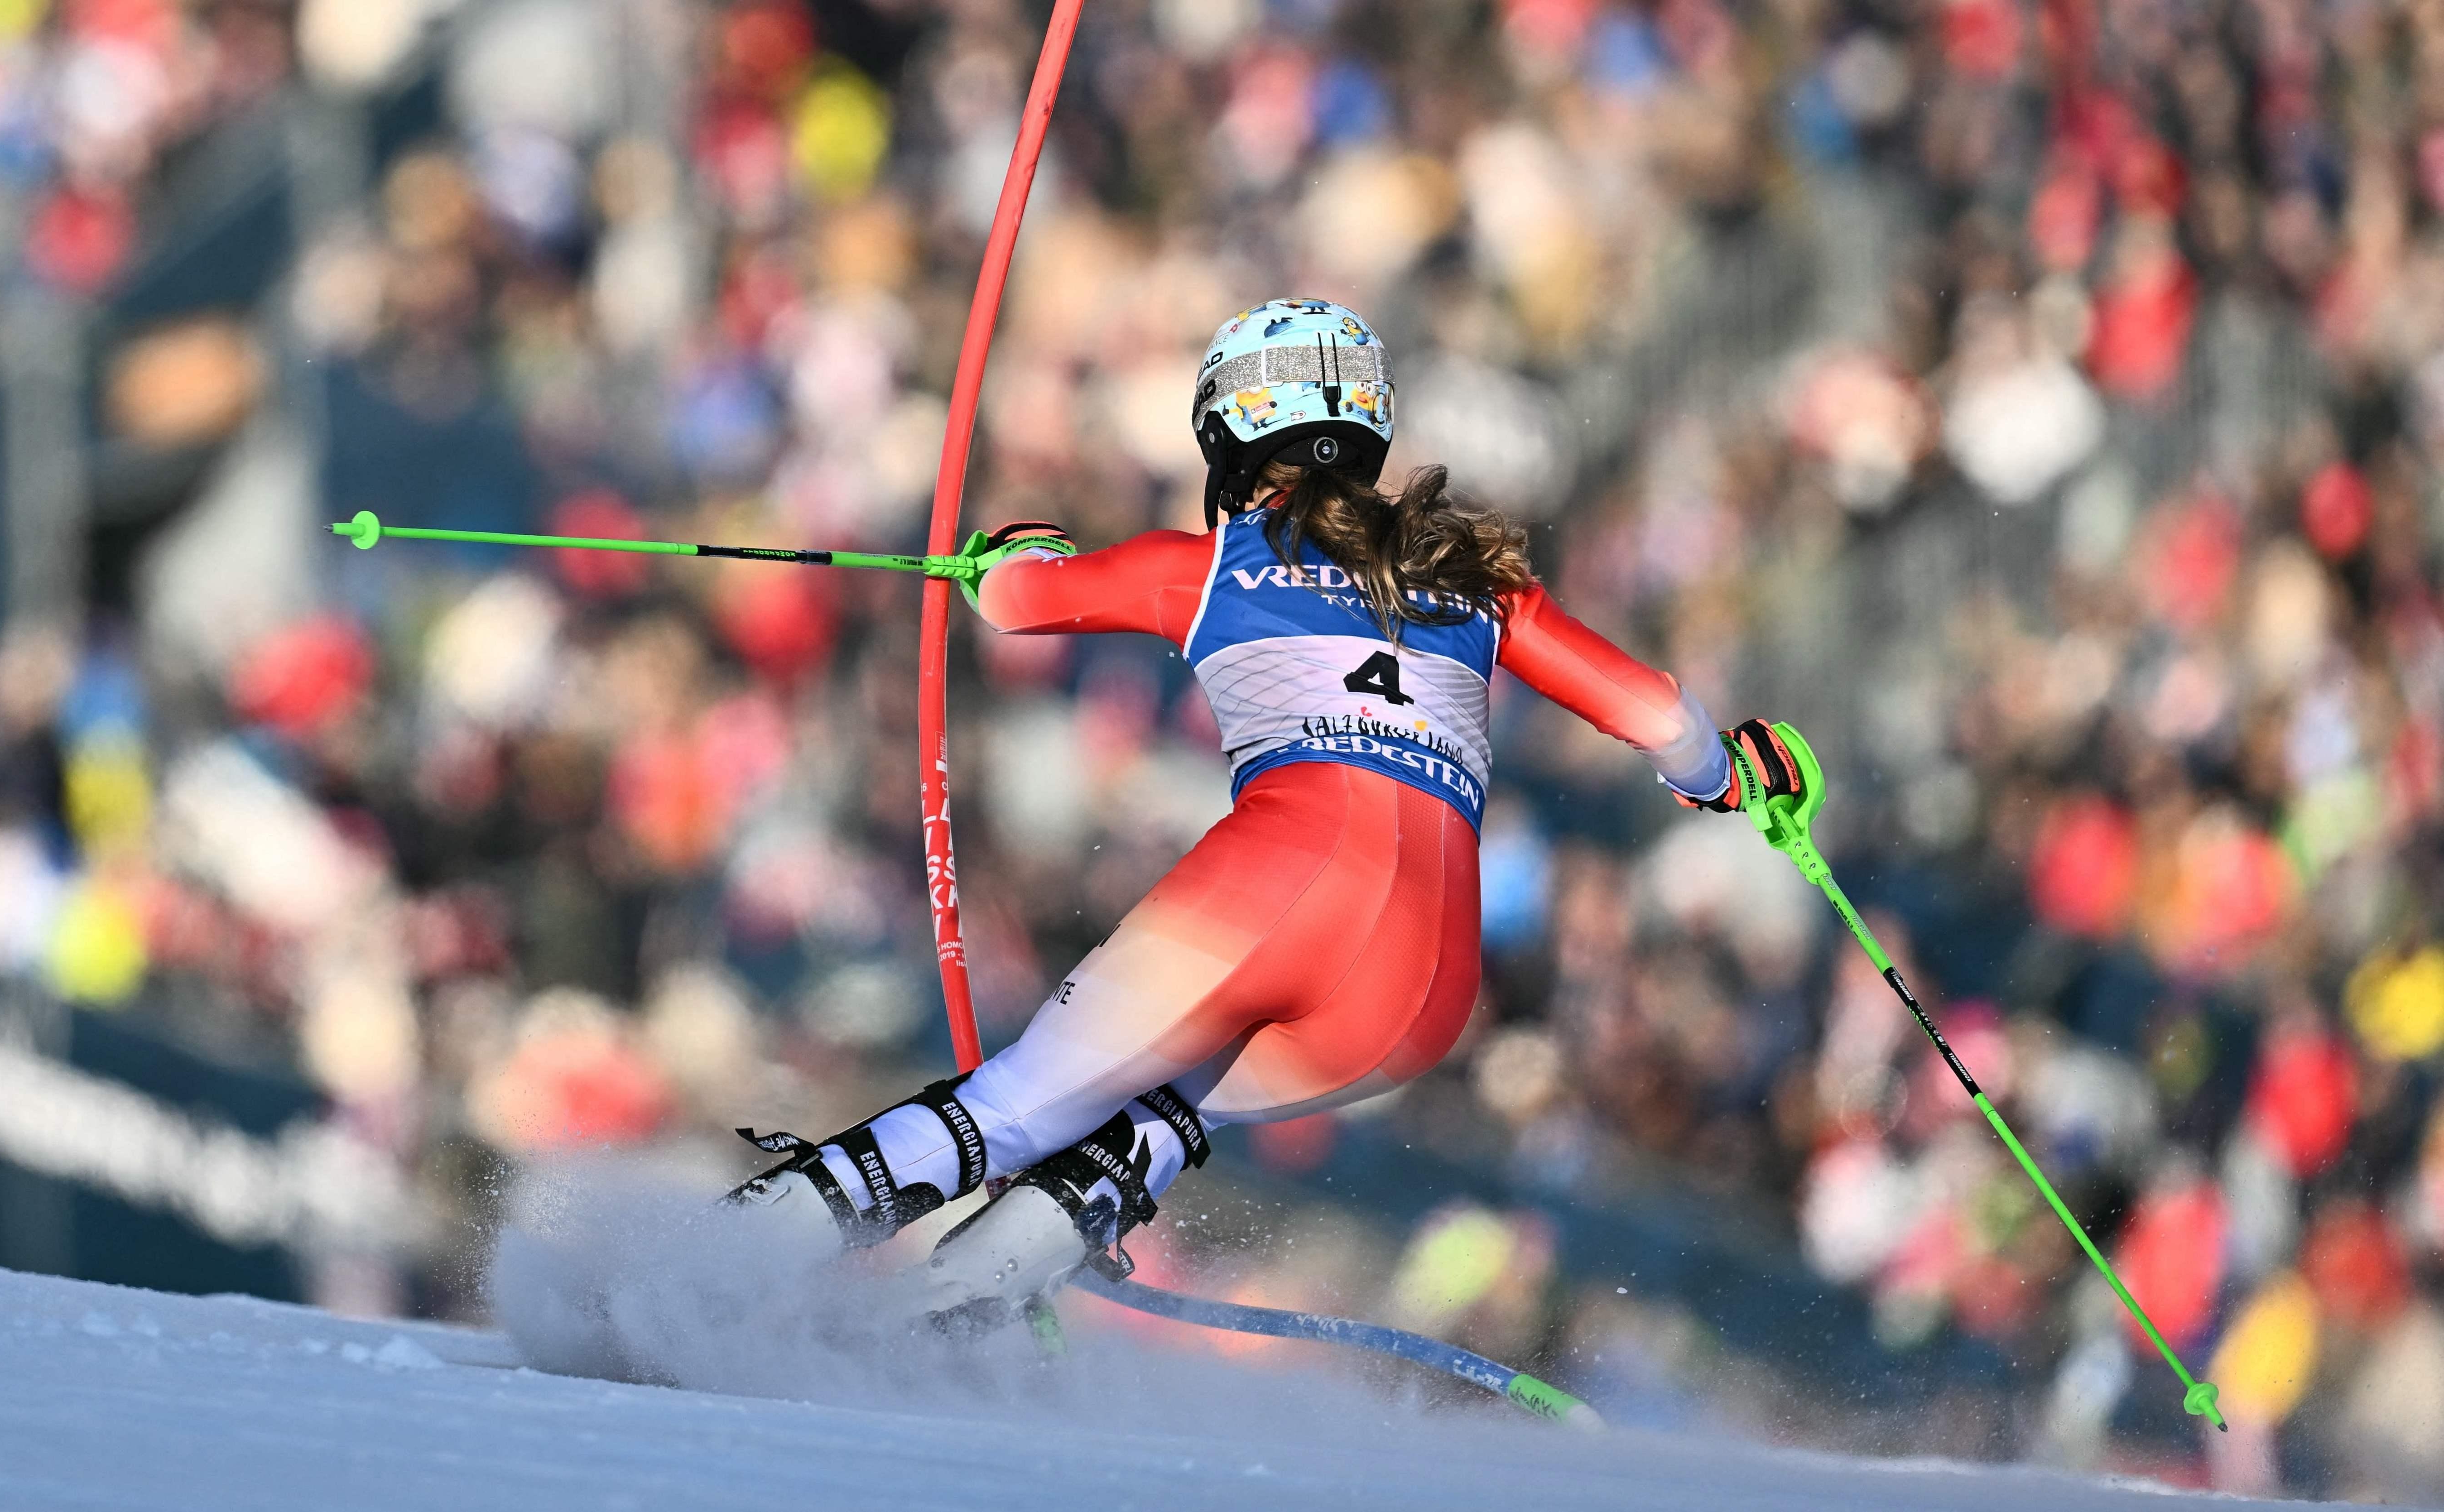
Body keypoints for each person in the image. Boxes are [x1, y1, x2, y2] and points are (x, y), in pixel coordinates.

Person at [727, 298, 1800, 1329]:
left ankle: (705, 1272)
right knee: (1157, 1120)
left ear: (1227, 431)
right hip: (1421, 987)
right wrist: (1728, 777)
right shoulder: (1483, 585)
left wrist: (1012, 548)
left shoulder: (1207, 568)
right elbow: (1663, 714)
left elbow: (1016, 597)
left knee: (1013, 1108)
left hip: (1281, 882)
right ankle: (936, 1326)